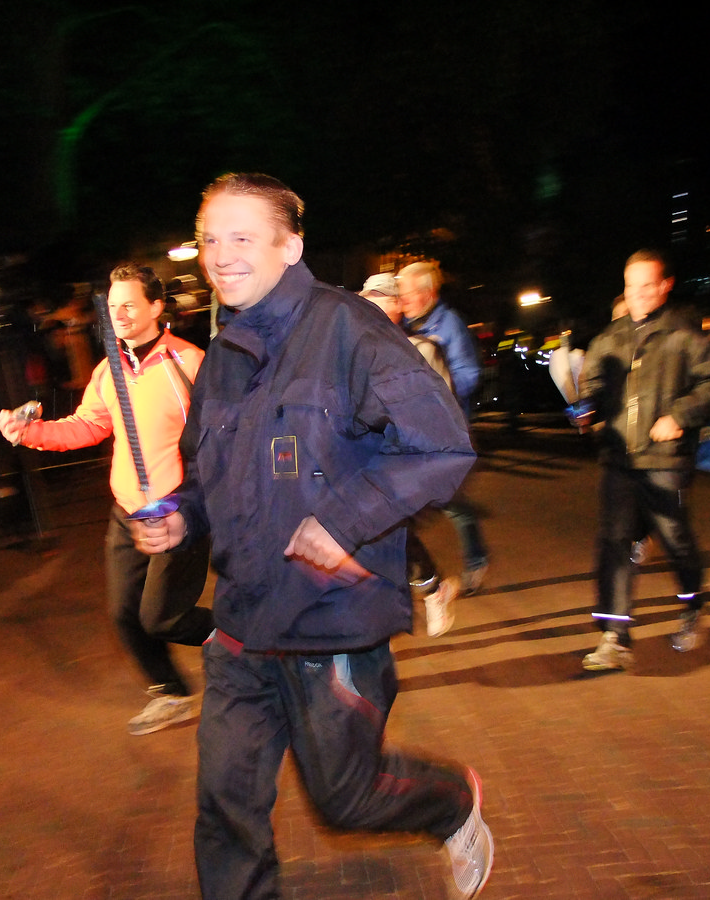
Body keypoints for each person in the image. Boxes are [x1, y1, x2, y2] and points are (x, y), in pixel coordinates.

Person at [130, 173, 492, 900]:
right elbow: (209, 476)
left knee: (346, 799)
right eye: (209, 239)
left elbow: (442, 446)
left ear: (290, 246)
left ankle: (451, 803)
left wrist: (343, 521)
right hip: (242, 625)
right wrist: (181, 515)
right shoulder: (224, 354)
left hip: (332, 621)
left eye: (241, 237)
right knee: (226, 805)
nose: (220, 255)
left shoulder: (351, 330)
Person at [0, 263, 212, 734]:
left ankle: (245, 639)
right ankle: (171, 694)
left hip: (178, 512)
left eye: (130, 304)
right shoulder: (109, 368)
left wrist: (199, 503)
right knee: (124, 614)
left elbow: (220, 441)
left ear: (156, 307)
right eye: (113, 306)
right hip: (127, 512)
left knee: (163, 617)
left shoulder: (190, 363)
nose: (120, 314)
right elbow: (88, 425)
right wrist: (28, 432)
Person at [574, 249, 710, 671]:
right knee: (615, 542)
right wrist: (586, 408)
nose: (639, 294)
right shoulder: (609, 338)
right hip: (619, 458)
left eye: (648, 285)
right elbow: (592, 386)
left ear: (665, 286)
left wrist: (679, 415)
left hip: (664, 460)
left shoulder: (684, 335)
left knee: (674, 538)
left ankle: (693, 603)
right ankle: (614, 637)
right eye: (632, 286)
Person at [360, 271, 461, 636]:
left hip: (410, 462)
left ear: (396, 306)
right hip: (369, 462)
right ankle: (430, 590)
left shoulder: (421, 350)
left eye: (377, 302)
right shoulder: (357, 353)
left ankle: (423, 593)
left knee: (386, 531)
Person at [396, 260, 490, 594]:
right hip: (415, 434)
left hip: (447, 433)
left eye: (408, 293)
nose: (403, 300)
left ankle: (471, 563)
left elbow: (469, 374)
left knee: (442, 502)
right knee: (438, 501)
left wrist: (436, 394)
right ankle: (417, 570)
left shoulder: (449, 325)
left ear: (429, 293)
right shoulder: (404, 324)